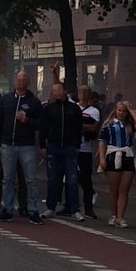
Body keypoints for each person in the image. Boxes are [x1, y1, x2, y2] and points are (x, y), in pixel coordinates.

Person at [0, 71, 43, 224]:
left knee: (30, 179)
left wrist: (27, 120)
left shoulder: (34, 102)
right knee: (7, 179)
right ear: (14, 81)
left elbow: (41, 124)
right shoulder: (6, 100)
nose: (21, 82)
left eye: (24, 79)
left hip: (27, 146)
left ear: (29, 82)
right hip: (8, 145)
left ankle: (33, 210)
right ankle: (7, 209)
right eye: (19, 79)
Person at [40, 82, 85, 221]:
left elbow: (78, 128)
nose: (55, 92)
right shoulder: (48, 108)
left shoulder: (74, 109)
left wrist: (77, 145)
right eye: (53, 90)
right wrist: (42, 146)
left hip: (70, 147)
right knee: (53, 179)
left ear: (65, 91)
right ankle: (50, 207)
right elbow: (43, 128)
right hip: (53, 146)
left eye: (58, 89)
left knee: (72, 180)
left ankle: (74, 209)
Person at [98, 100, 136, 228]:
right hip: (113, 155)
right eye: (119, 110)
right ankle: (113, 215)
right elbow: (102, 141)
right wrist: (102, 158)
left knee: (124, 189)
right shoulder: (108, 124)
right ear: (115, 111)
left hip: (127, 156)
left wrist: (131, 109)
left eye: (124, 111)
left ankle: (120, 217)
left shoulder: (130, 125)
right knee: (114, 189)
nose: (121, 113)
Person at [77, 87, 101, 219]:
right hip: (72, 147)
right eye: (81, 92)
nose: (83, 94)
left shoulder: (94, 111)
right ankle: (69, 206)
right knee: (71, 177)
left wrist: (78, 124)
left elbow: (94, 127)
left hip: (85, 148)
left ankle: (88, 207)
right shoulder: (73, 107)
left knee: (86, 178)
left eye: (86, 92)